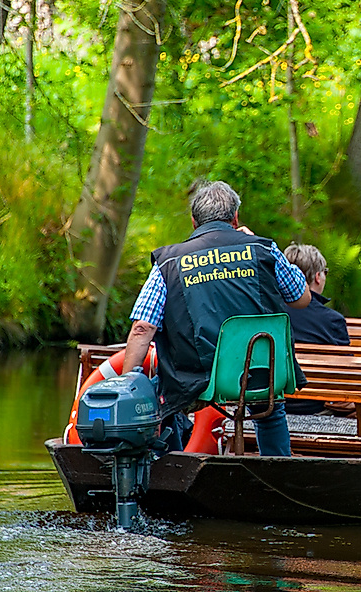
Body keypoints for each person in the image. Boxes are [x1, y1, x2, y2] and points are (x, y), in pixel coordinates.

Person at [121, 180, 311, 456]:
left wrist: (129, 384)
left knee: (163, 400)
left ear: (194, 221)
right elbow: (301, 297)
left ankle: (172, 469)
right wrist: (259, 242)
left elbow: (142, 327)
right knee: (269, 407)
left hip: (195, 377)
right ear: (235, 218)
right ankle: (278, 469)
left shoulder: (168, 263)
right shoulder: (264, 250)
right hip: (259, 374)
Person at [282, 243, 349, 414]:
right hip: (315, 407)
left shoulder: (269, 313)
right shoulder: (332, 321)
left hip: (273, 404)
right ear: (318, 277)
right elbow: (347, 375)